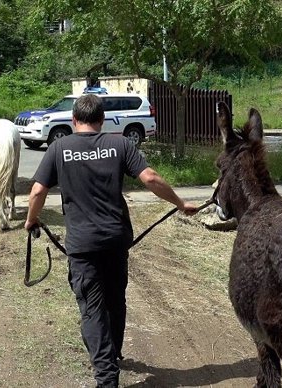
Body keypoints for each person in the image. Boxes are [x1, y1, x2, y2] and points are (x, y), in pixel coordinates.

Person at [24, 94, 198, 388]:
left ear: (74, 120)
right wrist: (180, 203)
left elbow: (38, 192)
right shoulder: (120, 144)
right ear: (102, 120)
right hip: (116, 240)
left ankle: (106, 377)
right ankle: (113, 353)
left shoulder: (59, 148)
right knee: (115, 300)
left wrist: (31, 220)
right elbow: (151, 178)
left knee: (93, 309)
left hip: (83, 245)